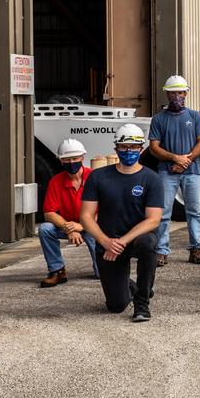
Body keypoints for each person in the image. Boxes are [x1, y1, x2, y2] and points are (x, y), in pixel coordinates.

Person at [79, 124, 163, 323]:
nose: (129, 152)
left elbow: (153, 219)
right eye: (124, 147)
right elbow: (86, 216)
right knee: (116, 306)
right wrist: (106, 242)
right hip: (107, 242)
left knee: (148, 243)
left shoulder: (151, 179)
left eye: (134, 147)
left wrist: (121, 241)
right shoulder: (98, 177)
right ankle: (132, 287)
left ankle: (142, 302)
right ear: (116, 148)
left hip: (134, 240)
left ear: (141, 149)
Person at [148, 74, 200, 266]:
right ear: (167, 95)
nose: (177, 96)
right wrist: (175, 158)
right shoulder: (158, 119)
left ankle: (196, 248)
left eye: (180, 93)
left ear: (186, 94)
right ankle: (162, 251)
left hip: (192, 172)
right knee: (164, 213)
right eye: (173, 93)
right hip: (166, 172)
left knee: (194, 211)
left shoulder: (194, 116)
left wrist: (185, 160)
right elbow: (153, 147)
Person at [37, 139, 99, 287]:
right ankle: (57, 271)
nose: (71, 162)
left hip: (93, 227)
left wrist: (82, 227)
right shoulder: (56, 182)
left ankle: (103, 267)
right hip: (69, 226)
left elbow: (104, 211)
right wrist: (69, 228)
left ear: (82, 157)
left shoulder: (95, 178)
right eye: (66, 159)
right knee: (45, 229)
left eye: (75, 158)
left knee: (102, 274)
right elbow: (49, 213)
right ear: (61, 161)